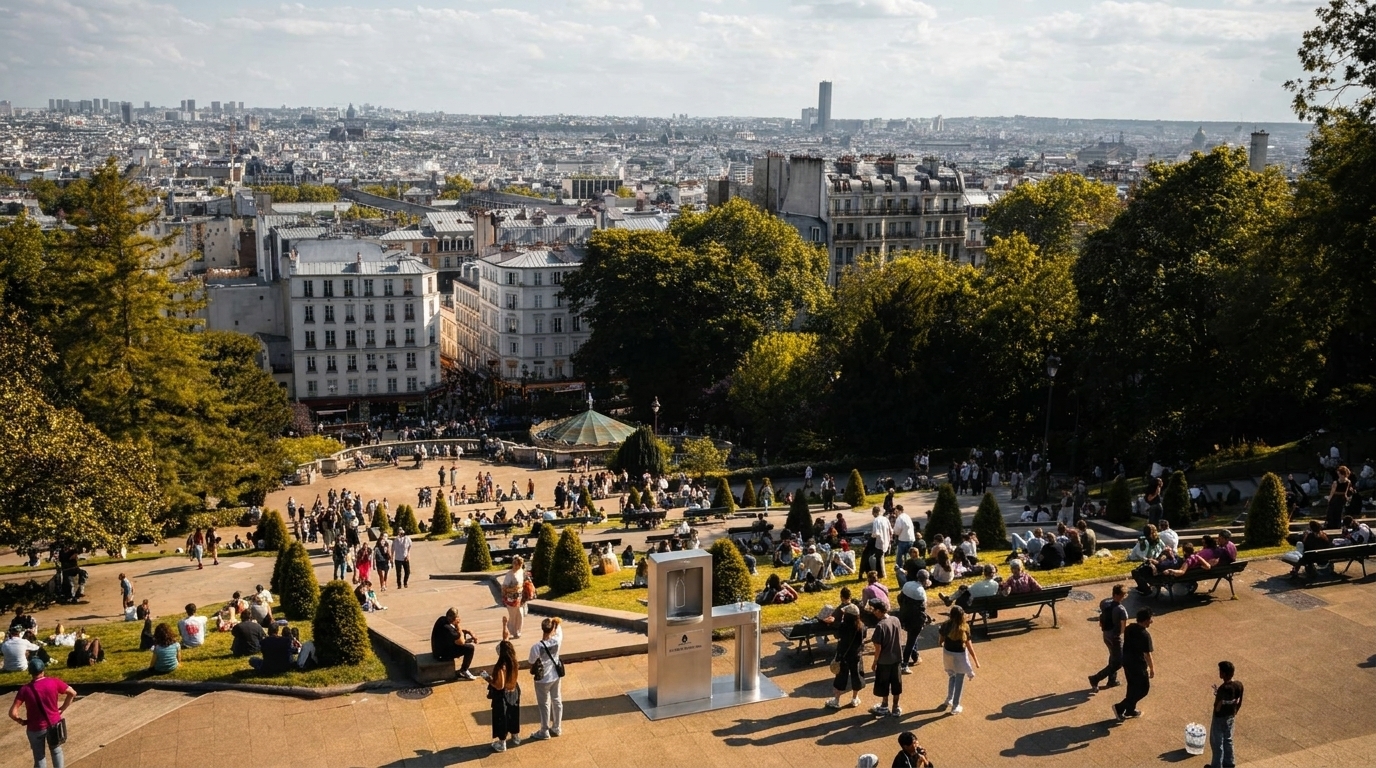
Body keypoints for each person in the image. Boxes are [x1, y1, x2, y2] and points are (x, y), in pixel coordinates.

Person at [9, 657, 76, 768]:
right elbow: (72, 693)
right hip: (54, 723)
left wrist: (20, 721)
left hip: (35, 728)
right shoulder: (54, 682)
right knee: (56, 751)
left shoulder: (25, 690)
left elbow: (12, 713)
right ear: (43, 670)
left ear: (30, 673)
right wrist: (63, 708)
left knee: (39, 757)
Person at [1114, 607, 1155, 720]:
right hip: (1138, 665)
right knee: (1143, 689)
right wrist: (1152, 668)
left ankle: (1130, 710)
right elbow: (1147, 654)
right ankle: (1120, 707)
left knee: (1132, 686)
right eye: (1150, 619)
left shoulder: (1129, 628)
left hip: (1127, 661)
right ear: (1146, 620)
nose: (1151, 621)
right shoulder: (1145, 635)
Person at [484, 628, 522, 752]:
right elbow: (506, 639)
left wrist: (488, 678)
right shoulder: (514, 661)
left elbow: (499, 685)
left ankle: (502, 743)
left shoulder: (501, 667)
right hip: (514, 691)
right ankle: (515, 737)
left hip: (503, 695)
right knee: (514, 715)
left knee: (502, 718)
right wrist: (504, 624)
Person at [527, 617, 564, 740]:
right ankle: (557, 727)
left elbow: (531, 661)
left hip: (542, 679)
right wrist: (555, 622)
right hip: (555, 676)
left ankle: (544, 731)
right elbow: (559, 629)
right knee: (557, 700)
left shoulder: (536, 647)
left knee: (544, 705)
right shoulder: (557, 640)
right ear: (552, 628)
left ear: (542, 629)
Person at [939, 605, 979, 714]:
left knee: (952, 676)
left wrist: (941, 643)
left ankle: (949, 699)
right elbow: (969, 645)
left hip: (947, 654)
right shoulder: (965, 627)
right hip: (960, 656)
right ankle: (955, 706)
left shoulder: (945, 625)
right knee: (959, 680)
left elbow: (941, 641)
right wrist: (975, 660)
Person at [825, 604, 866, 710]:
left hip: (843, 656)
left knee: (840, 677)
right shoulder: (862, 627)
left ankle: (836, 700)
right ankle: (854, 698)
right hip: (856, 656)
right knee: (856, 676)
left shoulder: (843, 626)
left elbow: (838, 636)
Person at [868, 600, 904, 717]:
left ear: (879, 611)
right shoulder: (895, 619)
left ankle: (884, 706)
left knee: (884, 684)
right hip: (897, 657)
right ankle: (896, 707)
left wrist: (875, 662)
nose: (873, 612)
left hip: (884, 660)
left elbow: (878, 647)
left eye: (874, 610)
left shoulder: (880, 626)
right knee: (896, 683)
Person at [1089, 585, 1128, 692]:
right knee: (1118, 662)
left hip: (1106, 635)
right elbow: (1123, 627)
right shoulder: (1121, 610)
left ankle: (1112, 680)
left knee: (1113, 656)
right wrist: (1120, 635)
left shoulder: (1104, 603)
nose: (1124, 597)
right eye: (1123, 595)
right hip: (1115, 637)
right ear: (1119, 595)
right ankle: (1095, 678)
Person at [1209, 661, 1244, 768]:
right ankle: (1229, 762)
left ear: (1223, 674)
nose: (1219, 673)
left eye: (1220, 671)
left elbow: (1218, 706)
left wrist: (1217, 707)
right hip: (1230, 716)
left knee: (1217, 743)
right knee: (1228, 739)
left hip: (1219, 718)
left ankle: (1216, 765)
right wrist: (1234, 712)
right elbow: (1239, 701)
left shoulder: (1223, 689)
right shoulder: (1239, 685)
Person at [897, 564, 929, 672]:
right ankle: (904, 664)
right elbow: (923, 609)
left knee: (912, 637)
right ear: (925, 580)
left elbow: (899, 598)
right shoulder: (922, 593)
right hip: (916, 620)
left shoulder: (907, 585)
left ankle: (915, 656)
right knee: (911, 641)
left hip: (904, 616)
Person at [431, 608, 478, 680]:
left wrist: (467, 631)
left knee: (462, 635)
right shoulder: (447, 628)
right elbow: (461, 642)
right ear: (455, 618)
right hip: (441, 655)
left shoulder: (442, 619)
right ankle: (464, 670)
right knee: (470, 648)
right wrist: (458, 624)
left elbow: (457, 634)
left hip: (439, 649)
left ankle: (463, 669)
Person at [871, 507, 892, 578]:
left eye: (873, 513)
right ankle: (882, 574)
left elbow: (875, 533)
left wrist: (872, 536)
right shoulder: (885, 519)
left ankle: (882, 574)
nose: (872, 514)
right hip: (886, 540)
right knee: (881, 557)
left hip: (879, 542)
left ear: (875, 512)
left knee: (880, 559)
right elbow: (891, 531)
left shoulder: (876, 520)